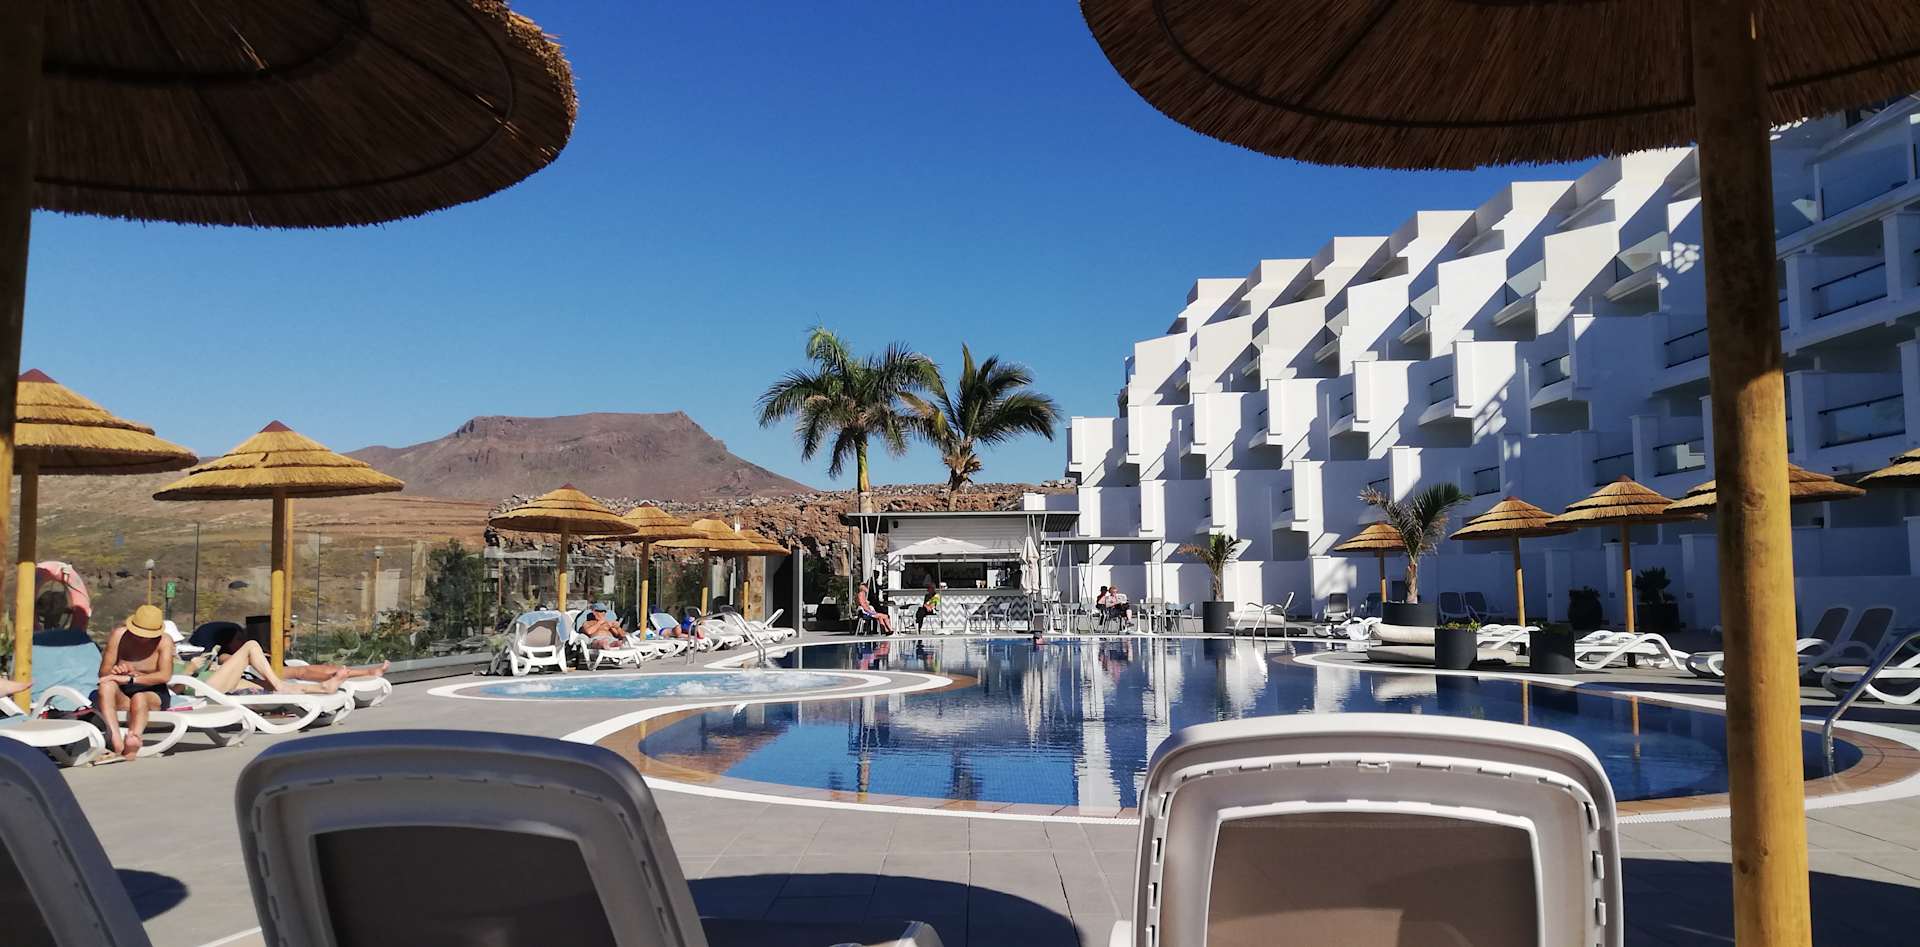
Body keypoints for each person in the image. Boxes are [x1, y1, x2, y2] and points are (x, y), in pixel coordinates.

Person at [95, 605, 176, 761]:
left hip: (153, 692)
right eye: (139, 633)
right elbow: (103, 673)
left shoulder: (164, 641)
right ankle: (116, 740)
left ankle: (134, 737)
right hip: (123, 691)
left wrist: (132, 678)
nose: (143, 638)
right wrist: (117, 672)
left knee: (140, 697)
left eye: (149, 635)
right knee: (106, 686)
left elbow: (165, 676)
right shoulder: (119, 636)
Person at [176, 638, 348, 697]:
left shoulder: (178, 659)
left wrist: (209, 667)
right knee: (251, 645)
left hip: (214, 682)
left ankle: (322, 688)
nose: (174, 646)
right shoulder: (168, 665)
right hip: (203, 691)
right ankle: (280, 686)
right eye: (173, 644)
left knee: (269, 687)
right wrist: (190, 669)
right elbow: (174, 690)